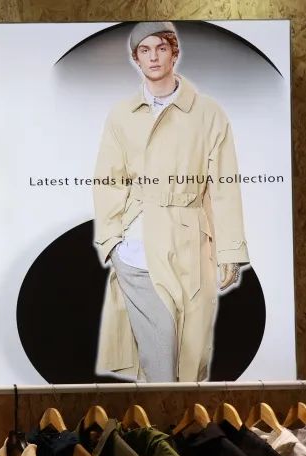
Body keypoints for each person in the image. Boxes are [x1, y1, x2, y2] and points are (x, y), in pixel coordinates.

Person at [92, 21, 249, 383]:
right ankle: (160, 414)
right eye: (144, 50)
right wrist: (112, 240)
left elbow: (224, 186)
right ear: (136, 58)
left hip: (191, 241)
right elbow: (108, 180)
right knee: (161, 355)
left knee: (191, 352)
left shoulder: (208, 113)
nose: (153, 57)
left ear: (174, 53)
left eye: (161, 48)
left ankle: (173, 417)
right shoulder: (122, 114)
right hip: (138, 243)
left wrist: (230, 251)